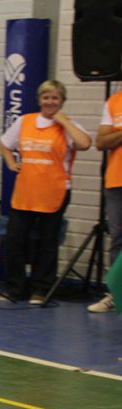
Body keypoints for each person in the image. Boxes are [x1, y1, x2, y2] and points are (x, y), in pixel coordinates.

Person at [0, 79, 91, 304]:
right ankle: (15, 288)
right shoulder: (25, 121)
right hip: (26, 192)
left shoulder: (68, 125)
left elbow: (85, 143)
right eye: (46, 97)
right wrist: (11, 162)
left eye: (55, 98)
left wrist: (63, 121)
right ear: (39, 99)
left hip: (55, 191)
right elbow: (4, 143)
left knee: (47, 243)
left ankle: (41, 289)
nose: (50, 102)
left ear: (62, 101)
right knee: (14, 240)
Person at [88, 86, 122, 313]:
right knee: (118, 239)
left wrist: (115, 134)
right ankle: (116, 295)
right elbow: (101, 141)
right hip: (116, 181)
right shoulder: (114, 102)